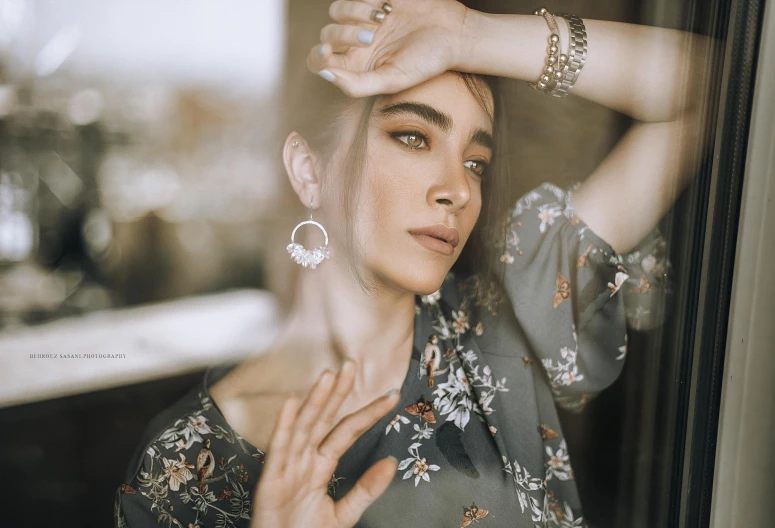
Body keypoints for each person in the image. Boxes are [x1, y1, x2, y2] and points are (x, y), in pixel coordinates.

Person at [115, 1, 710, 526]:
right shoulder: (184, 472)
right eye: (414, 138)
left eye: (475, 161)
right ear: (308, 170)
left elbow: (706, 89)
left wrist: (469, 34)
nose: (458, 189)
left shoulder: (504, 323)